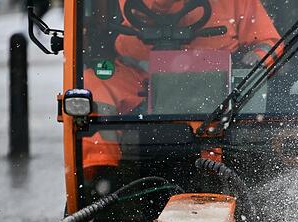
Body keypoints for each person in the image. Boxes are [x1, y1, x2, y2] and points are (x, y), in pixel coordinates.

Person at [83, 0, 281, 178]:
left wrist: (257, 59)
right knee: (92, 88)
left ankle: (216, 175)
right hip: (139, 76)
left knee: (225, 117)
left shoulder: (238, 3)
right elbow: (145, 9)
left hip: (217, 82)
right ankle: (100, 172)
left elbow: (270, 42)